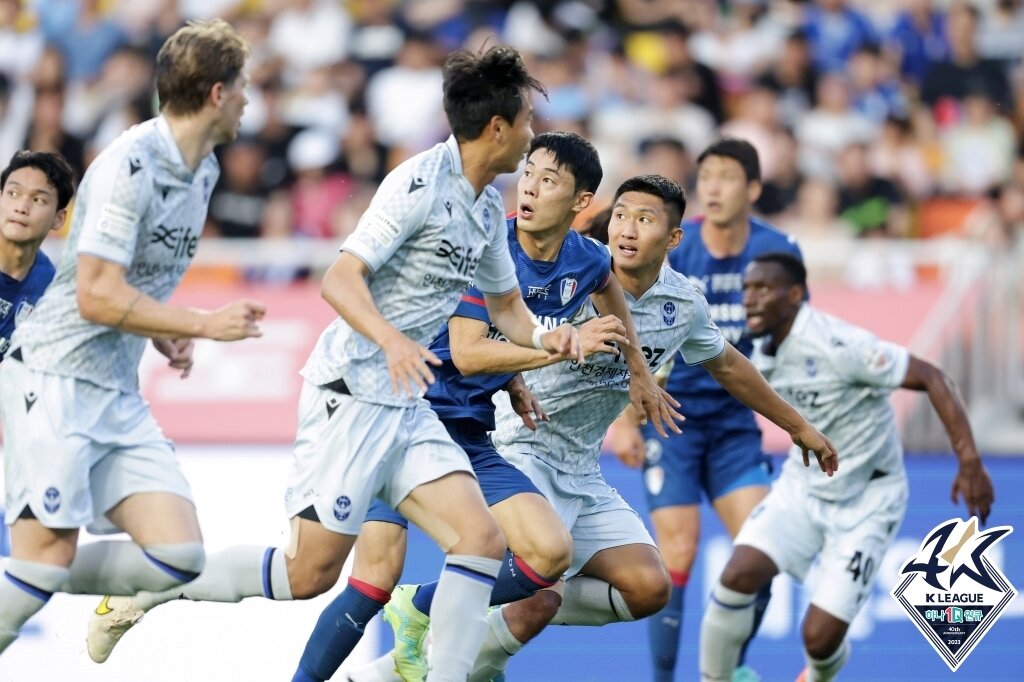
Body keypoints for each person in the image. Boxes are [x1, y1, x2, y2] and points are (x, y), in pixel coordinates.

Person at [85, 46, 600, 682]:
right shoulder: (417, 185)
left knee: (480, 541)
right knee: (308, 574)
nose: (531, 134)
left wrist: (552, 340)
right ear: (496, 128)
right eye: (525, 119)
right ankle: (150, 587)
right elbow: (339, 278)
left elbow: (509, 309)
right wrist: (391, 340)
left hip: (407, 406)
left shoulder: (488, 208)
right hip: (351, 394)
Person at [359, 175, 838, 682]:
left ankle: (419, 658)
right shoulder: (571, 272)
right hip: (519, 448)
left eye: (645, 219)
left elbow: (728, 365)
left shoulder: (682, 305)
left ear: (673, 239)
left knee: (646, 589)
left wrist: (798, 426)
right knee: (539, 583)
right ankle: (425, 624)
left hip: (582, 470)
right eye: (623, 214)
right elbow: (493, 332)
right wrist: (519, 375)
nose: (627, 229)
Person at [298, 131, 679, 682]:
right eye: (526, 174)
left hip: (466, 432)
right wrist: (547, 355)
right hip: (401, 415)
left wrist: (640, 376)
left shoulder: (586, 260)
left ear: (579, 202)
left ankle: (430, 625)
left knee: (545, 555)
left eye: (547, 181)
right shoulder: (488, 248)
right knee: (361, 579)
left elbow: (608, 299)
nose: (527, 188)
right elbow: (468, 353)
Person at [0, 19, 265, 657]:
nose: (249, 101)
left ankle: (35, 579)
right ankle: (30, 579)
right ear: (215, 94)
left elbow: (133, 279)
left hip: (114, 388)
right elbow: (93, 294)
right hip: (55, 379)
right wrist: (202, 324)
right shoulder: (129, 165)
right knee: (44, 558)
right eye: (243, 88)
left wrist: (161, 331)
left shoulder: (202, 171)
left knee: (176, 556)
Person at [700, 253, 995, 682]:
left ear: (795, 295)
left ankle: (817, 676)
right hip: (802, 489)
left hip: (868, 500)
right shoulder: (754, 345)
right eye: (746, 289)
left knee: (818, 640)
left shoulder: (838, 345)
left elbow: (933, 377)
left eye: (762, 289)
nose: (750, 299)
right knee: (738, 573)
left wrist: (968, 459)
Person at [606, 138, 802, 682]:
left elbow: (790, 337)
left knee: (764, 552)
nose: (713, 187)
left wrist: (804, 417)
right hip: (672, 420)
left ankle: (729, 670)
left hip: (736, 424)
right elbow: (627, 333)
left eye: (727, 176)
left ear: (754, 189)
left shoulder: (779, 251)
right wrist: (625, 419)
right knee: (679, 549)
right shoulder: (672, 246)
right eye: (706, 176)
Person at [0, 151, 74, 360]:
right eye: (13, 194)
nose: (21, 208)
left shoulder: (50, 291)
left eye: (38, 199)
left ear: (59, 219)